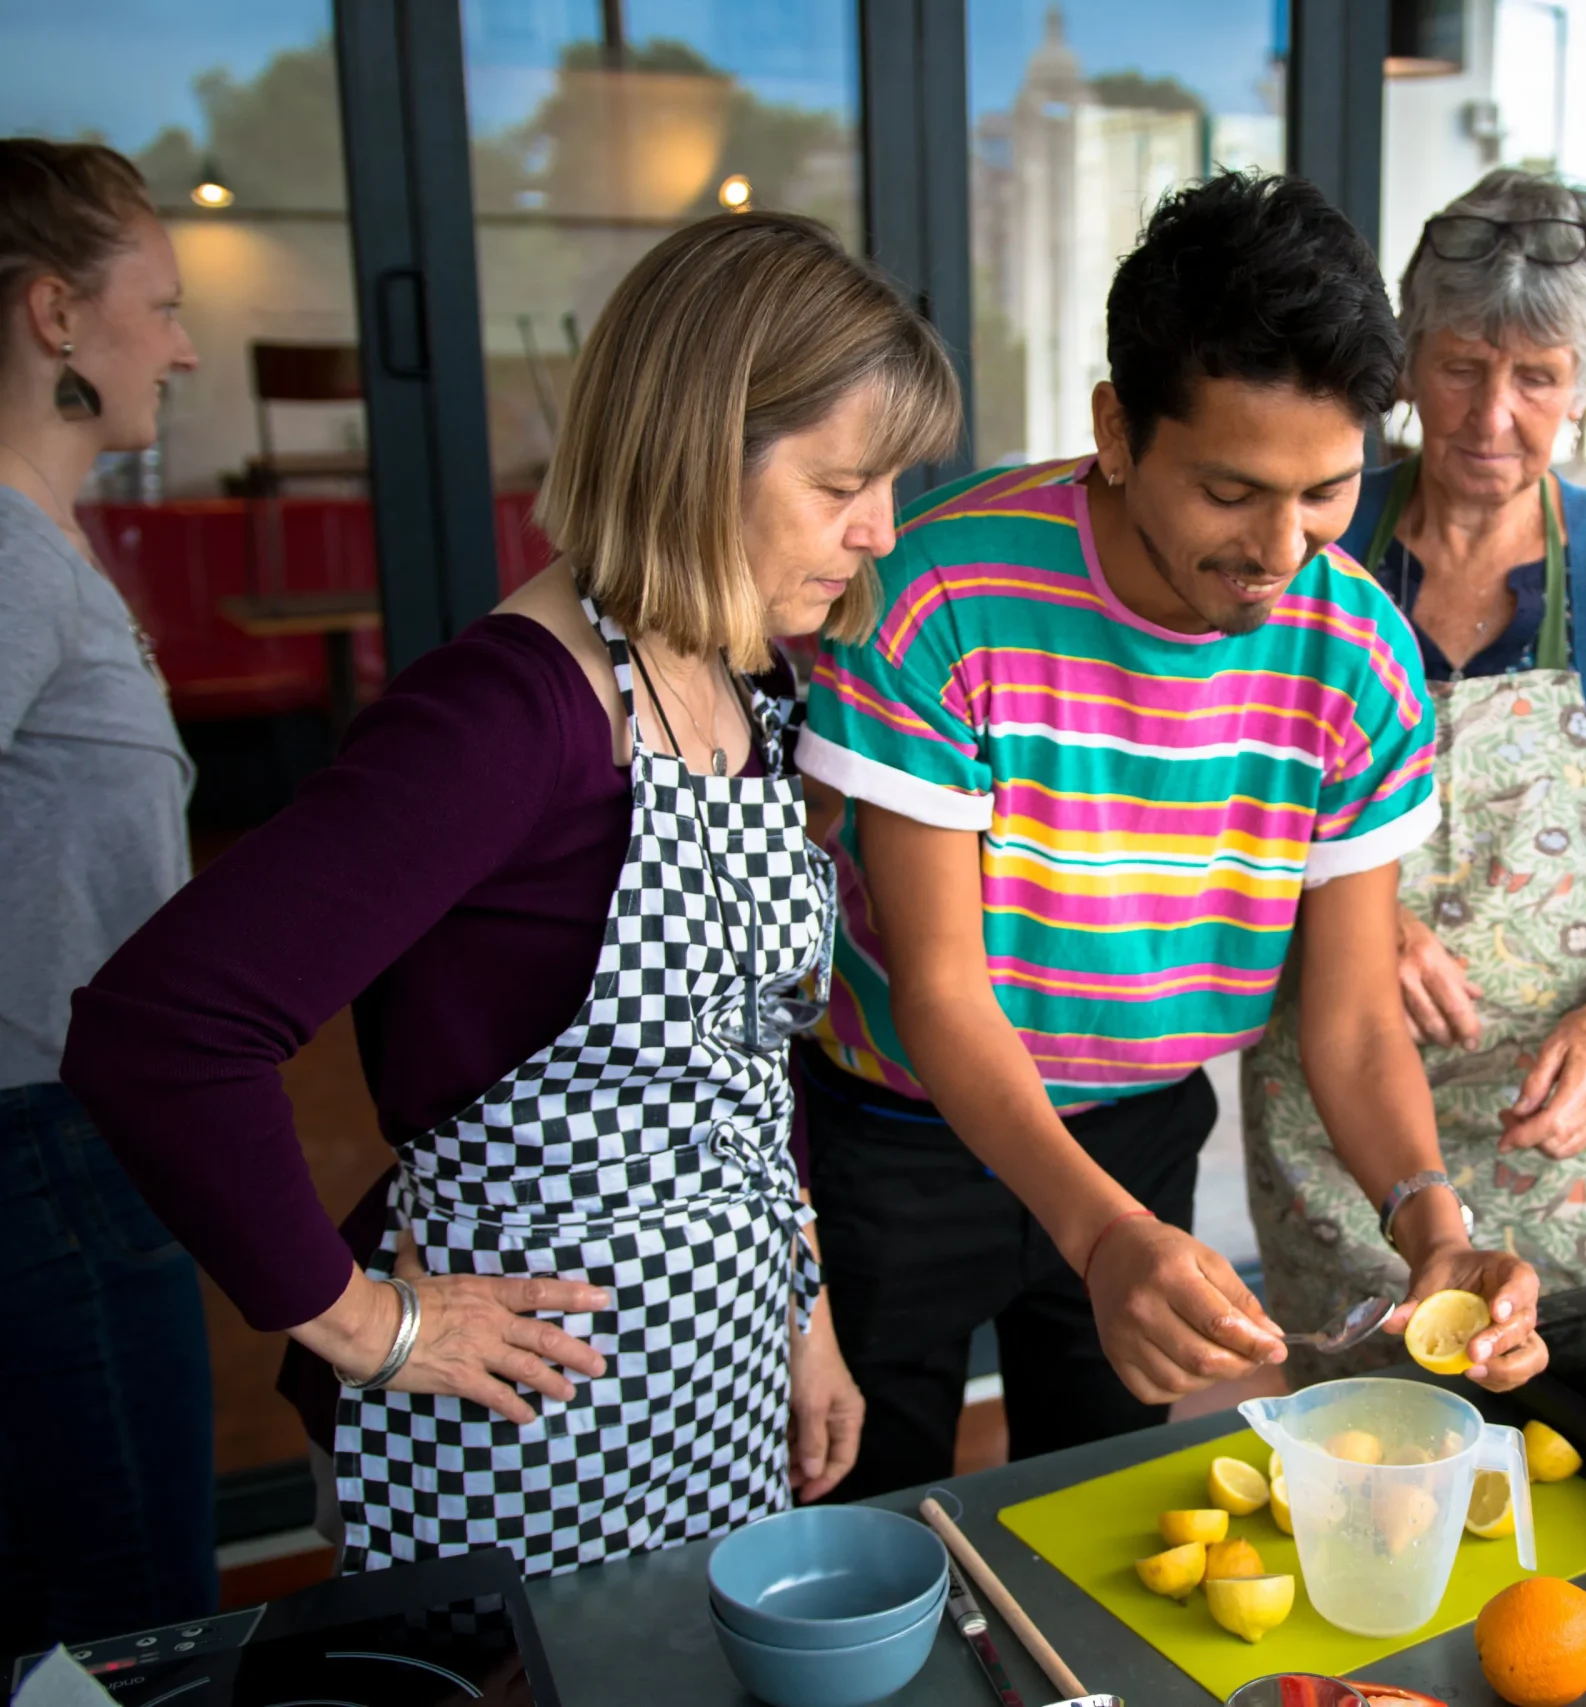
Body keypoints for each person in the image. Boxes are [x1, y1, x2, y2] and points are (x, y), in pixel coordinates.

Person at [63, 211, 961, 1576]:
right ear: (697, 449)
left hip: (718, 1377)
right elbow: (162, 1030)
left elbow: (741, 1070)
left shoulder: (745, 680)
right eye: (844, 480)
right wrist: (367, 1321)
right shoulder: (505, 715)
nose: (880, 529)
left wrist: (806, 1323)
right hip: (515, 1414)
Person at [795, 171, 1546, 1498]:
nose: (1279, 549)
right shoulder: (939, 599)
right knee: (873, 1513)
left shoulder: (1357, 647)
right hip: (903, 1131)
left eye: (1326, 492)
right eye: (1230, 490)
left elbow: (1357, 1017)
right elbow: (941, 988)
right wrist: (1101, 1238)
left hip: (1141, 1121)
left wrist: (1434, 1224)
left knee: (1096, 1506)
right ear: (1118, 429)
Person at [1241, 170, 1586, 1355]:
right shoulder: (1313, 540)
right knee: (1350, 1436)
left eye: (1536, 377)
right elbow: (1224, 802)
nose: (1489, 415)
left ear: (1585, 385)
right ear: (1404, 360)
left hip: (1553, 1123)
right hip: (1332, 1106)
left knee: (1561, 1426)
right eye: (1458, 366)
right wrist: (1361, 912)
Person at [0, 137, 210, 1657]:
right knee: (130, 1626)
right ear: (56, 314)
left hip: (76, 1140)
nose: (188, 345)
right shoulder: (6, 556)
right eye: (164, 304)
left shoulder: (48, 543)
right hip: (41, 1149)